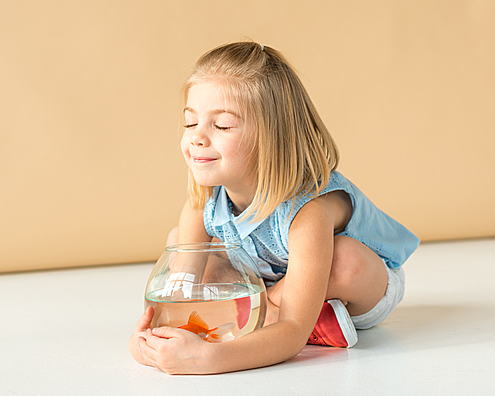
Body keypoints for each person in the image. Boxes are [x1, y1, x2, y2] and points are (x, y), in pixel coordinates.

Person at [129, 42, 419, 374]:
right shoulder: (203, 202)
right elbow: (180, 292)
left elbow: (294, 331)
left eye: (221, 125)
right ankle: (298, 318)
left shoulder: (308, 211)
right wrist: (154, 339)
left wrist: (207, 358)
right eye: (190, 123)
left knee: (344, 261)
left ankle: (277, 319)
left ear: (272, 137)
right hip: (265, 276)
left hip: (359, 284)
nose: (197, 138)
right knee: (182, 240)